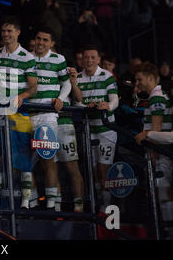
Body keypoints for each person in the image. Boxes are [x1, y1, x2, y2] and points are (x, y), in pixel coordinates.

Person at [0, 16, 37, 208]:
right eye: (3, 31)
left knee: (23, 159)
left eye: (10, 31)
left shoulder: (27, 57)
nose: (6, 34)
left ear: (18, 33)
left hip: (20, 114)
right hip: (0, 112)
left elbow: (34, 87)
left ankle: (25, 202)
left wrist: (22, 96)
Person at [134, 62, 173, 239]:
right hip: (160, 153)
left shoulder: (157, 98)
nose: (137, 84)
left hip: (162, 154)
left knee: (164, 196)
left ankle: (172, 234)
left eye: (140, 79)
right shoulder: (156, 96)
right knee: (162, 196)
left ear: (150, 78)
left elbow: (157, 130)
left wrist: (152, 153)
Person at [29, 27, 72, 211]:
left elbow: (67, 83)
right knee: (24, 163)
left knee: (48, 159)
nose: (40, 42)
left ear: (52, 43)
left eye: (45, 40)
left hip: (48, 115)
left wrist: (61, 99)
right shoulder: (26, 58)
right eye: (38, 38)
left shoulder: (59, 59)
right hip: (27, 114)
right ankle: (30, 203)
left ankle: (53, 205)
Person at [76, 45, 119, 213]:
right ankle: (99, 205)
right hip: (89, 131)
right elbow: (76, 103)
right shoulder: (78, 78)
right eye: (86, 57)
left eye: (93, 57)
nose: (89, 60)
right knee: (93, 171)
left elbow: (115, 100)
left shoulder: (107, 76)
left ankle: (107, 208)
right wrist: (86, 106)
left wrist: (107, 105)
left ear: (98, 59)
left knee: (104, 169)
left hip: (106, 130)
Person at [58, 66, 85, 212]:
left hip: (64, 122)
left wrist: (73, 82)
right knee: (50, 167)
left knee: (71, 167)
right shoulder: (32, 65)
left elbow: (79, 99)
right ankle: (55, 208)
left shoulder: (65, 70)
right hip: (44, 120)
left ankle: (79, 207)